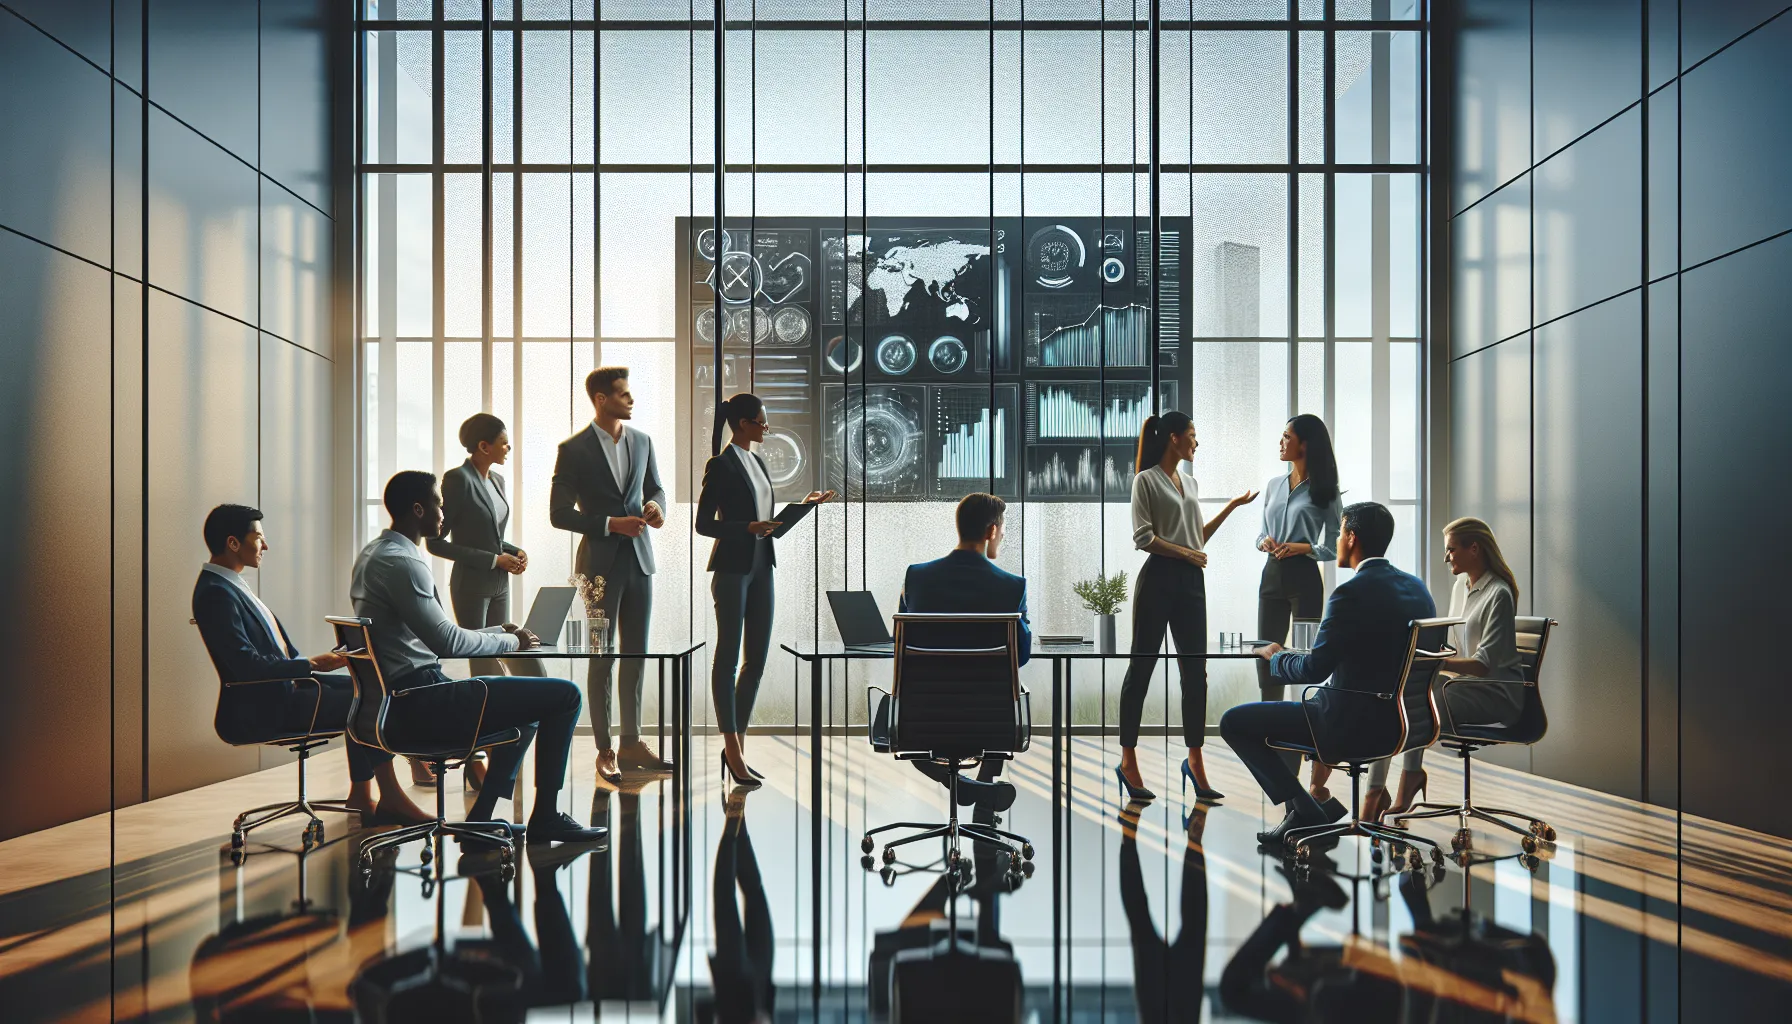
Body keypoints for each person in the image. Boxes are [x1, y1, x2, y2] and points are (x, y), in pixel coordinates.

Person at [352, 470, 606, 843]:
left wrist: (501, 632)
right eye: (440, 503)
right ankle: (545, 818)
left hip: (402, 699)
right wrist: (511, 643)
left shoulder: (374, 554)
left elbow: (438, 637)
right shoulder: (402, 564)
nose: (445, 511)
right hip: (422, 702)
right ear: (419, 510)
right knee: (565, 695)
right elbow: (448, 643)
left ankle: (481, 820)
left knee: (528, 700)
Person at [191, 504, 431, 825]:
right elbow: (245, 666)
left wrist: (322, 662)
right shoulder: (215, 592)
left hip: (283, 691)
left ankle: (364, 793)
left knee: (368, 688)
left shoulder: (230, 585)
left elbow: (271, 653)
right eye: (259, 537)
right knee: (368, 698)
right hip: (262, 705)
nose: (266, 545)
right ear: (233, 543)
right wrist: (312, 664)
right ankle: (388, 795)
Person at [1220, 501, 1436, 848]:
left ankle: (1306, 809)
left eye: (1339, 534)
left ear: (1351, 538)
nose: (1335, 541)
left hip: (1347, 723)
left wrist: (1278, 657)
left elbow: (1315, 668)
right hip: (1401, 725)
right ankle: (1307, 808)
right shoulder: (1418, 590)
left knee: (1233, 722)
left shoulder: (1349, 593)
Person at [1114, 412, 1257, 802]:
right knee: (1141, 667)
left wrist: (1230, 507)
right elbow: (1143, 537)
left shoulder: (1190, 482)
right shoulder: (1145, 481)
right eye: (1193, 436)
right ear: (1174, 438)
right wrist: (1186, 554)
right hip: (1158, 578)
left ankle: (1195, 760)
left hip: (1192, 583)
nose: (1197, 442)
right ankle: (1128, 758)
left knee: (1196, 674)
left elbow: (1197, 540)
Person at [697, 393, 834, 788]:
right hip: (732, 568)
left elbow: (768, 525)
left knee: (755, 660)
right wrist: (745, 528)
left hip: (761, 566)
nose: (766, 429)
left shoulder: (757, 463)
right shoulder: (720, 465)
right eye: (761, 423)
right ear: (742, 424)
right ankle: (734, 751)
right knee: (727, 657)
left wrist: (804, 507)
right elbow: (704, 524)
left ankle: (737, 745)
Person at [550, 366, 674, 785]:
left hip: (640, 561)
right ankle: (604, 749)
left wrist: (656, 507)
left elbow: (655, 488)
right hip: (598, 569)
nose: (630, 399)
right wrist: (610, 524)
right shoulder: (573, 449)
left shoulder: (643, 441)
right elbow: (559, 513)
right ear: (601, 399)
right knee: (602, 655)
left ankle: (632, 743)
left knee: (636, 654)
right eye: (623, 394)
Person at [1363, 516, 1526, 821]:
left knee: (1410, 703)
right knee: (1396, 693)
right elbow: (1454, 647)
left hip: (1496, 695)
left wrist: (1431, 662)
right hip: (1463, 687)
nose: (1446, 556)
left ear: (1474, 548)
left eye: (1451, 549)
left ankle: (1383, 790)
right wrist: (1424, 656)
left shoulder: (1498, 594)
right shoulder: (1460, 587)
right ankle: (1389, 785)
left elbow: (1482, 665)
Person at [895, 492, 1032, 811]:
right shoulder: (1013, 586)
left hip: (921, 722)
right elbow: (1020, 657)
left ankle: (966, 786)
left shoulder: (917, 577)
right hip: (991, 724)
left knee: (900, 723)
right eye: (1002, 528)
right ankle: (982, 791)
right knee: (1009, 699)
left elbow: (900, 643)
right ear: (991, 531)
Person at [423, 412, 529, 793]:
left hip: (500, 582)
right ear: (483, 446)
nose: (508, 446)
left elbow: (491, 535)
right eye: (502, 441)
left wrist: (514, 552)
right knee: (484, 670)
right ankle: (477, 759)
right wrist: (491, 559)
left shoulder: (497, 479)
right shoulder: (457, 479)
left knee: (500, 666)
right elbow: (437, 542)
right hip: (471, 584)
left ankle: (494, 754)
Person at [1254, 414, 1345, 794]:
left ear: (1304, 444)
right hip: (1271, 576)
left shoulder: (1326, 491)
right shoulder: (1274, 485)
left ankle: (1306, 745)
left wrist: (1304, 547)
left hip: (1306, 579)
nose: (1280, 441)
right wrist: (1265, 542)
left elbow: (1338, 544)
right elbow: (1261, 531)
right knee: (1266, 658)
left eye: (1286, 436)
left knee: (1306, 662)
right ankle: (1271, 744)